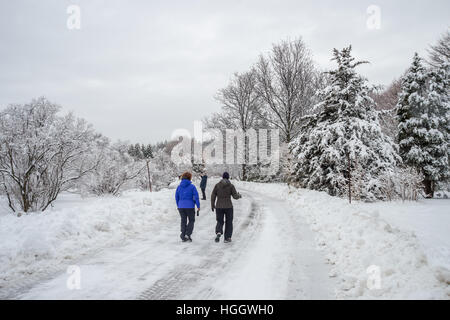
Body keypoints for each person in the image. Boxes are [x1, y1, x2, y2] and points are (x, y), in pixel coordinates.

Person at [211, 172, 241, 243]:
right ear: (228, 177)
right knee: (229, 222)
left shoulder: (217, 185)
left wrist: (212, 204)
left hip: (219, 206)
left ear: (222, 177)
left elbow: (213, 195)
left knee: (219, 220)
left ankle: (218, 231)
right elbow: (235, 196)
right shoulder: (231, 186)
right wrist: (239, 195)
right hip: (228, 207)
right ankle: (227, 238)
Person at [175, 172, 200, 242]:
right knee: (191, 220)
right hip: (190, 206)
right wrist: (198, 205)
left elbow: (176, 197)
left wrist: (179, 205)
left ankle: (183, 234)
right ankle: (187, 234)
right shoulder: (192, 187)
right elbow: (196, 197)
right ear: (189, 178)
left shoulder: (179, 187)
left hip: (181, 206)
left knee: (183, 220)